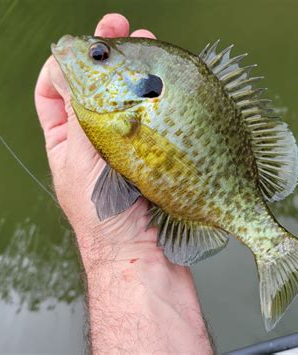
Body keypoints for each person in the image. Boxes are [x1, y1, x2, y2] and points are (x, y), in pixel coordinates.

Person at [34, 13, 213, 354]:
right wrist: (122, 249)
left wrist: (120, 254)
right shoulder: (117, 111)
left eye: (99, 56)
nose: (89, 54)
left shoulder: (124, 112)